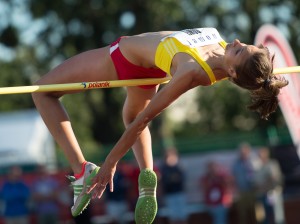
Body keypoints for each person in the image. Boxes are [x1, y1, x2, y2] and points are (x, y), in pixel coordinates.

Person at [31, 27, 288, 224]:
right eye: (246, 45)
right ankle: (147, 173)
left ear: (232, 73)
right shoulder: (227, 55)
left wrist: (109, 164)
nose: (237, 42)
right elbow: (253, 72)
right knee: (131, 115)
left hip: (123, 57)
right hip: (151, 66)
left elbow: (145, 121)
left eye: (240, 50)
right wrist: (269, 77)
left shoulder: (191, 71)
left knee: (43, 91)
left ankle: (81, 169)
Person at [253, 147, 285, 224]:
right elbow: (255, 181)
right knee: (264, 217)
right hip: (262, 194)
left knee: (277, 216)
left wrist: (265, 185)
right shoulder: (257, 166)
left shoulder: (272, 164)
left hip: (272, 193)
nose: (260, 156)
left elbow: (274, 179)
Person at [232, 143, 258, 224]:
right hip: (241, 192)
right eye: (241, 152)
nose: (243, 153)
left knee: (257, 214)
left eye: (245, 151)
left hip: (254, 191)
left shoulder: (255, 161)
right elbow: (234, 178)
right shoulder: (236, 164)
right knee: (242, 215)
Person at [160, 147, 187, 224]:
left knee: (182, 215)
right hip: (169, 195)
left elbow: (181, 179)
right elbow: (166, 181)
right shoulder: (164, 169)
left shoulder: (179, 167)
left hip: (179, 193)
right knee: (173, 217)